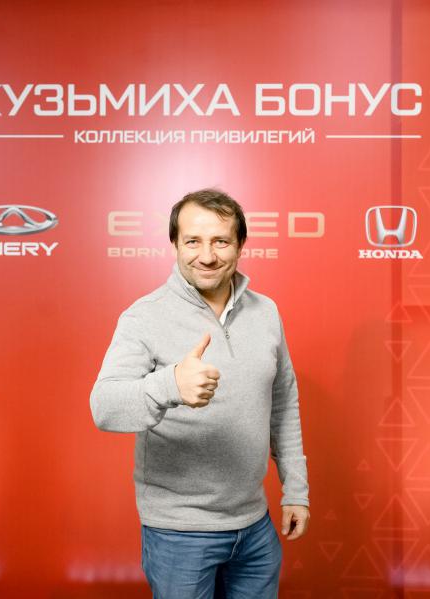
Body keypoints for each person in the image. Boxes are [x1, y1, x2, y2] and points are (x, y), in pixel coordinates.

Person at [90, 188, 310, 598]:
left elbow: (283, 403)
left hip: (255, 527)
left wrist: (295, 490)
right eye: (192, 241)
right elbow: (104, 408)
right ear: (175, 244)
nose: (206, 256)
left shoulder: (266, 312)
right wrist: (170, 385)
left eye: (220, 241)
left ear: (240, 245)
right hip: (180, 533)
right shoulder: (143, 316)